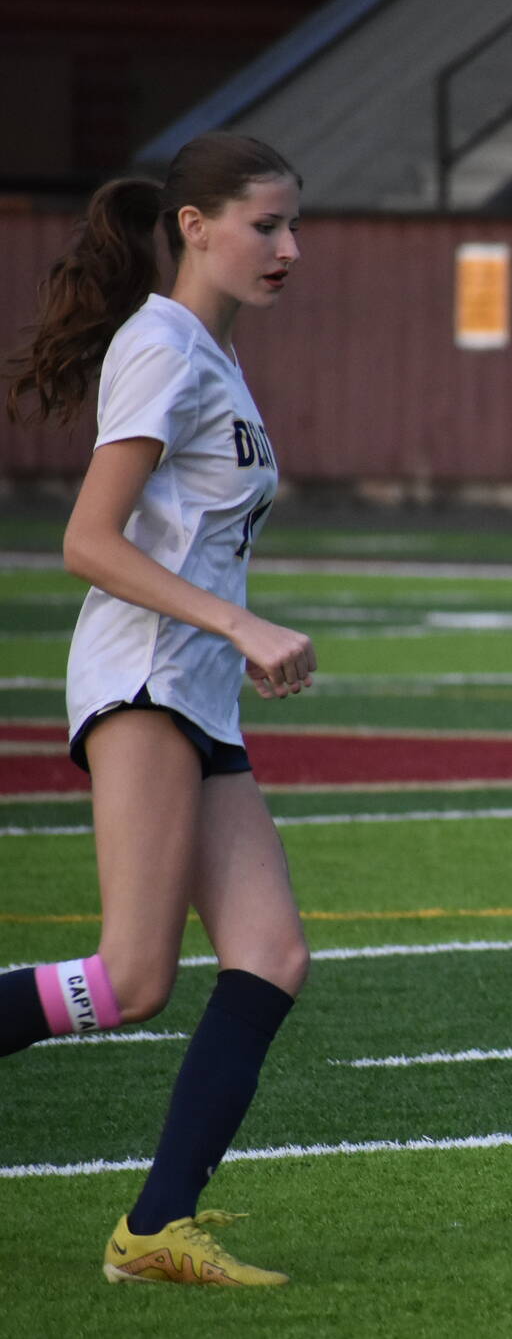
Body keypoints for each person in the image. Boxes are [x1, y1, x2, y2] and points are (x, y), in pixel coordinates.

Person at [0, 133, 315, 1286]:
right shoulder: (164, 348)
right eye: (265, 224)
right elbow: (87, 541)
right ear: (194, 226)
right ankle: (151, 1232)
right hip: (143, 681)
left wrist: (238, 640)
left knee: (271, 955)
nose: (289, 246)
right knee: (132, 978)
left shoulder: (212, 358)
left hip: (196, 693)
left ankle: (152, 1232)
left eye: (291, 224)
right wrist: (239, 624)